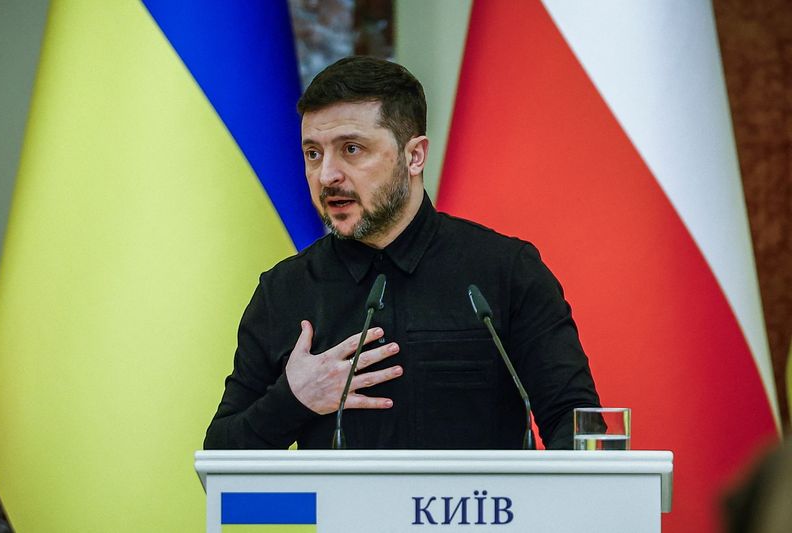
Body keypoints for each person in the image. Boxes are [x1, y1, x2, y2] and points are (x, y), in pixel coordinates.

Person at [204, 56, 600, 450]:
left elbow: (578, 422)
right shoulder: (284, 291)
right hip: (343, 515)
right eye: (313, 153)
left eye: (352, 149)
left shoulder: (505, 271)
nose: (327, 175)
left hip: (482, 512)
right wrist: (294, 399)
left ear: (415, 156)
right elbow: (219, 460)